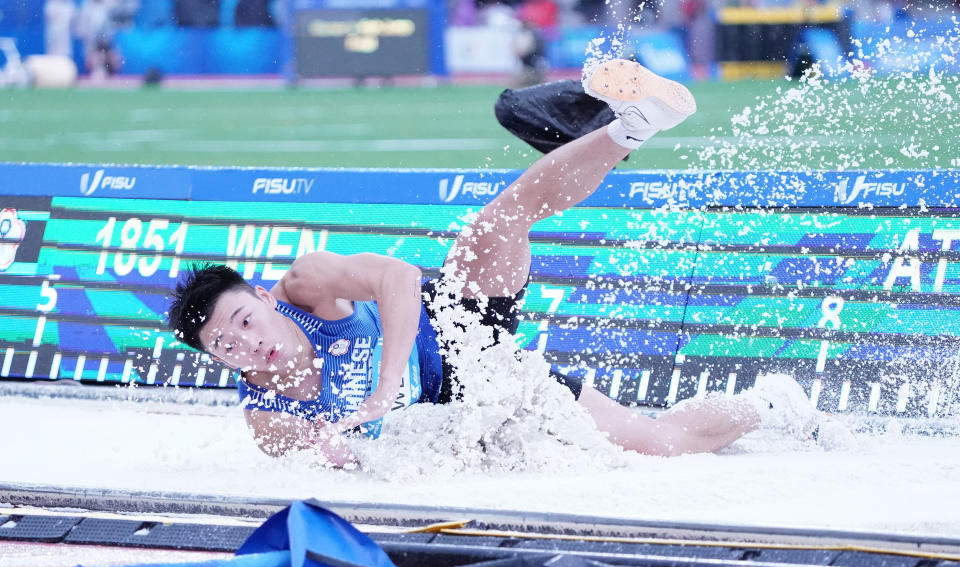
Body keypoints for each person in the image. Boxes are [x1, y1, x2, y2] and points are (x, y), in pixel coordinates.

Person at [168, 58, 828, 466]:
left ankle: (632, 124)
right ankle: (770, 407)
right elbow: (337, 463)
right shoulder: (266, 417)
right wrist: (343, 452)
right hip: (475, 404)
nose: (248, 347)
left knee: (499, 220)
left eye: (245, 322)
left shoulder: (304, 286)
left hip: (455, 325)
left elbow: (397, 276)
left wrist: (382, 385)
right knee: (658, 444)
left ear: (259, 295)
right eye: (226, 348)